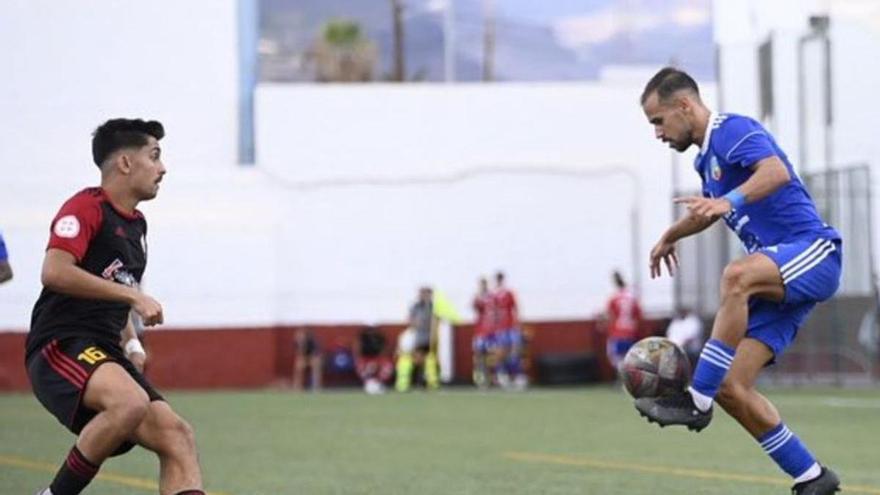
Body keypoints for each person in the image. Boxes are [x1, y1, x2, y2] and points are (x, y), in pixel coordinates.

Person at [637, 67, 842, 493]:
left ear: (684, 106)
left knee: (736, 276)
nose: (657, 133)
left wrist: (727, 200)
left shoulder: (731, 130)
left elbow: (775, 173)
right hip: (777, 276)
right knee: (733, 386)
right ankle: (812, 477)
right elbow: (709, 210)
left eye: (658, 121)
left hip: (813, 252)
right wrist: (669, 236)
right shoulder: (705, 158)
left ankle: (697, 397)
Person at [25, 119, 205, 495]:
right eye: (154, 156)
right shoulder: (85, 207)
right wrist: (134, 297)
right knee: (129, 402)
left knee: (178, 437)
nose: (163, 168)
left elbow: (118, 285)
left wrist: (133, 344)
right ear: (125, 163)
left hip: (104, 350)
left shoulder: (136, 225)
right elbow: (54, 272)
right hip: (61, 344)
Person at [395, 286, 440, 391]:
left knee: (429, 361)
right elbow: (411, 320)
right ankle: (410, 383)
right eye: (422, 293)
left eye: (426, 293)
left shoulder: (434, 307)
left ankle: (431, 383)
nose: (424, 295)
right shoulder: (415, 307)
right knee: (415, 359)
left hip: (429, 337)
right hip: (418, 338)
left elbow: (436, 322)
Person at [603, 271, 643, 376]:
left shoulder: (614, 298)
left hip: (617, 332)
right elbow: (638, 315)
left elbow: (609, 316)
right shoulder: (633, 298)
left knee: (615, 357)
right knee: (629, 358)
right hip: (631, 332)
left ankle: (624, 378)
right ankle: (628, 378)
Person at [493, 271, 527, 390]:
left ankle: (518, 376)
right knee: (500, 353)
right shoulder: (493, 295)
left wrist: (518, 324)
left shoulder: (509, 293)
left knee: (514, 352)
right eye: (497, 279)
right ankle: (502, 376)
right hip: (500, 328)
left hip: (511, 327)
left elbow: (515, 309)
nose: (499, 281)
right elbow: (492, 313)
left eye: (500, 279)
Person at [471, 277, 498, 388]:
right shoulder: (478, 297)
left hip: (491, 332)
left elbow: (497, 312)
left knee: (491, 355)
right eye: (481, 284)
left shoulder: (493, 297)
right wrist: (478, 296)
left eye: (485, 284)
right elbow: (475, 306)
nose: (483, 286)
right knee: (479, 355)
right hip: (480, 332)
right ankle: (480, 378)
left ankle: (492, 378)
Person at [353, 325, 393, 394]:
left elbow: (385, 349)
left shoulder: (380, 337)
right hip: (365, 358)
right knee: (363, 367)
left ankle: (379, 383)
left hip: (378, 358)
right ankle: (369, 383)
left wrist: (379, 361)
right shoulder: (362, 337)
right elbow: (357, 349)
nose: (371, 332)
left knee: (387, 365)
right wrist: (358, 358)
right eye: (370, 330)